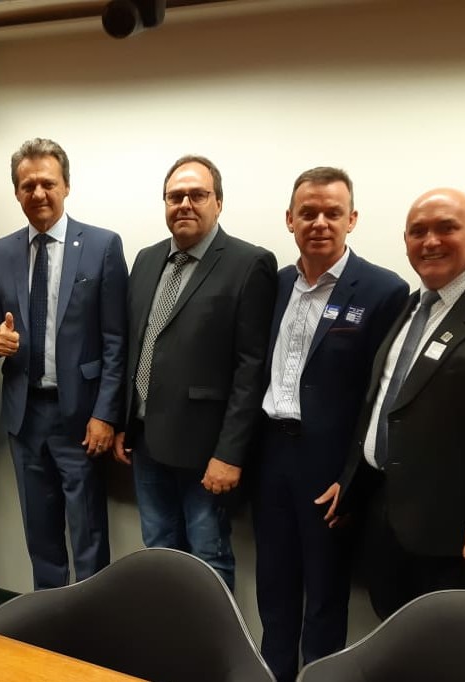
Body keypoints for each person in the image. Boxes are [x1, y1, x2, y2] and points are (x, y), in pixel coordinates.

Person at [319, 188, 465, 620]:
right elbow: (383, 402)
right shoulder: (413, 304)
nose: (430, 241)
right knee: (393, 635)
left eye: (446, 228)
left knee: (449, 647)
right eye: (417, 231)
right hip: (387, 520)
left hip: (460, 537)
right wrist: (351, 482)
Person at [254, 167, 408, 682]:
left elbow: (381, 396)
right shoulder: (275, 284)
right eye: (308, 213)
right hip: (271, 456)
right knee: (273, 588)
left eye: (332, 213)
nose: (319, 222)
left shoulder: (384, 290)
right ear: (290, 220)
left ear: (352, 219)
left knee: (324, 595)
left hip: (330, 468)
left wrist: (353, 478)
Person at [113, 154, 276, 591]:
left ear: (218, 202)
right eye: (175, 196)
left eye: (197, 195)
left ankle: (209, 636)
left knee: (209, 558)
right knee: (158, 551)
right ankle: (168, 629)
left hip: (206, 451)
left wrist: (230, 454)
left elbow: (250, 369)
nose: (184, 203)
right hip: (146, 442)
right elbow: (136, 344)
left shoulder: (249, 263)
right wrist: (124, 421)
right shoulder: (147, 259)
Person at [0, 138, 127, 589]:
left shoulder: (101, 246)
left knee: (88, 535)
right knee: (39, 535)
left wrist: (105, 415)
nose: (38, 193)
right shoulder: (1, 251)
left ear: (66, 186)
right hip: (25, 416)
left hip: (80, 419)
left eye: (47, 183)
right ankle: (49, 616)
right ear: (16, 192)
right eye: (28, 185)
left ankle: (91, 621)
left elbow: (115, 341)